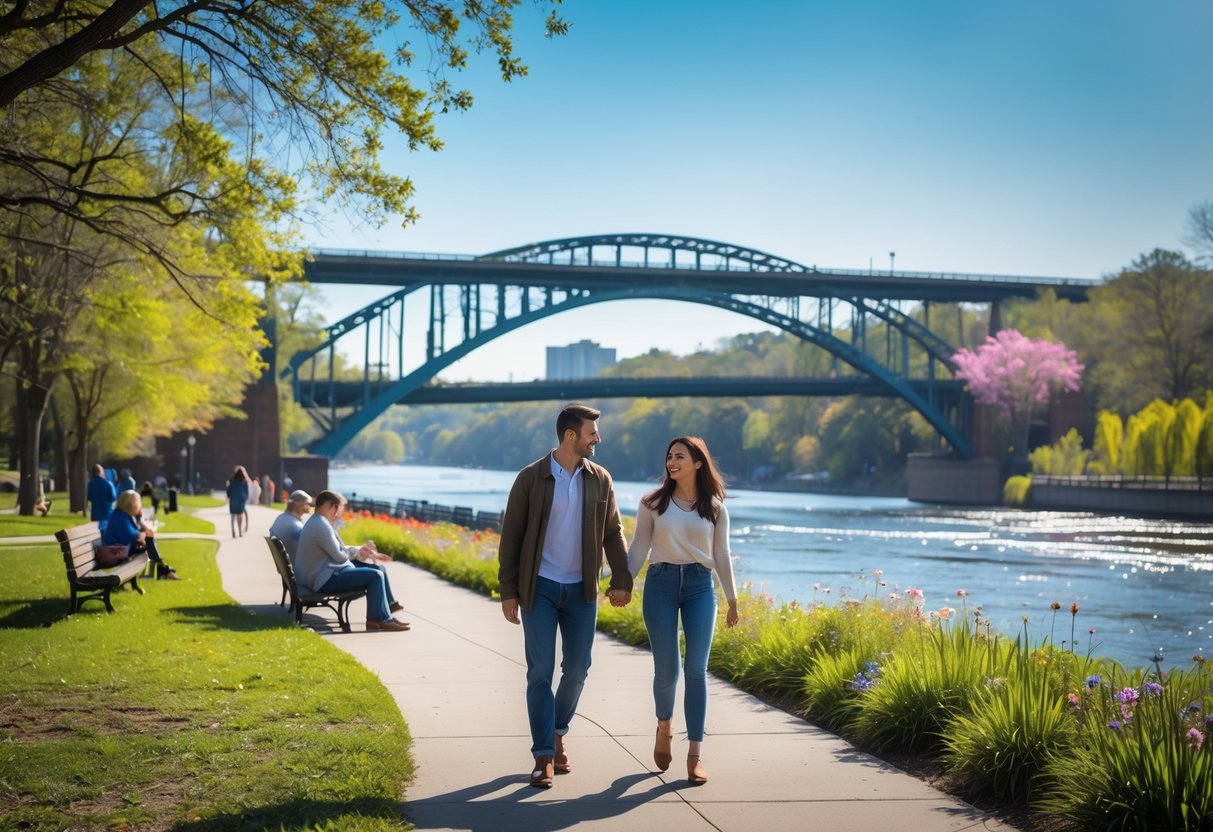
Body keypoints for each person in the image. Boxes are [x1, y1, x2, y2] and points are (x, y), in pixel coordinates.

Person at [497, 403, 633, 789]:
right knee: (539, 671)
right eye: (592, 433)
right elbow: (512, 538)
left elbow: (613, 531)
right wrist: (509, 590)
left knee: (578, 668)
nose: (598, 439)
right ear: (571, 435)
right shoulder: (530, 478)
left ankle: (557, 730)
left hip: (581, 590)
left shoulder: (600, 479)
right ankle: (543, 755)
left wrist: (621, 578)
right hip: (538, 587)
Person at [627, 436, 739, 785]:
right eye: (669, 456)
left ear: (698, 463)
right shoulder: (652, 502)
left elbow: (721, 555)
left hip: (699, 587)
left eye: (680, 456)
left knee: (696, 670)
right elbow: (639, 546)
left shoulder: (716, 507)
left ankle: (695, 755)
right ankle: (664, 725)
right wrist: (623, 581)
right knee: (667, 671)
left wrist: (733, 600)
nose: (671, 461)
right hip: (659, 584)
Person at [295, 490, 409, 632]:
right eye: (338, 509)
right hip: (324, 580)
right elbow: (340, 556)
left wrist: (359, 551)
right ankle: (380, 619)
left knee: (379, 570)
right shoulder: (321, 526)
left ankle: (384, 613)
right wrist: (357, 553)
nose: (337, 515)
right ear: (333, 506)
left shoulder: (316, 521)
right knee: (376, 575)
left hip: (326, 573)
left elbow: (338, 550)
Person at [102, 489, 180, 579]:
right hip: (115, 552)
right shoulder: (120, 517)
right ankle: (163, 570)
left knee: (149, 542)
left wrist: (139, 521)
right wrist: (143, 534)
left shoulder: (126, 515)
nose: (139, 505)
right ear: (130, 503)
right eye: (137, 503)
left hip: (122, 549)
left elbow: (139, 534)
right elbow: (132, 536)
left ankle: (162, 571)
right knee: (149, 543)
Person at [269, 490, 314, 558]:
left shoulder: (280, 518)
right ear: (299, 505)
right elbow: (311, 546)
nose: (308, 507)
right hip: (294, 564)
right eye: (306, 504)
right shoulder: (296, 525)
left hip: (283, 560)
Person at [226, 466, 250, 537]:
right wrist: (244, 498)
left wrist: (230, 496)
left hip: (233, 499)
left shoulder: (232, 480)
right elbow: (246, 492)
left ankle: (233, 531)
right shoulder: (244, 481)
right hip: (241, 500)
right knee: (240, 515)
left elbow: (228, 490)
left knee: (233, 515)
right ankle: (240, 531)